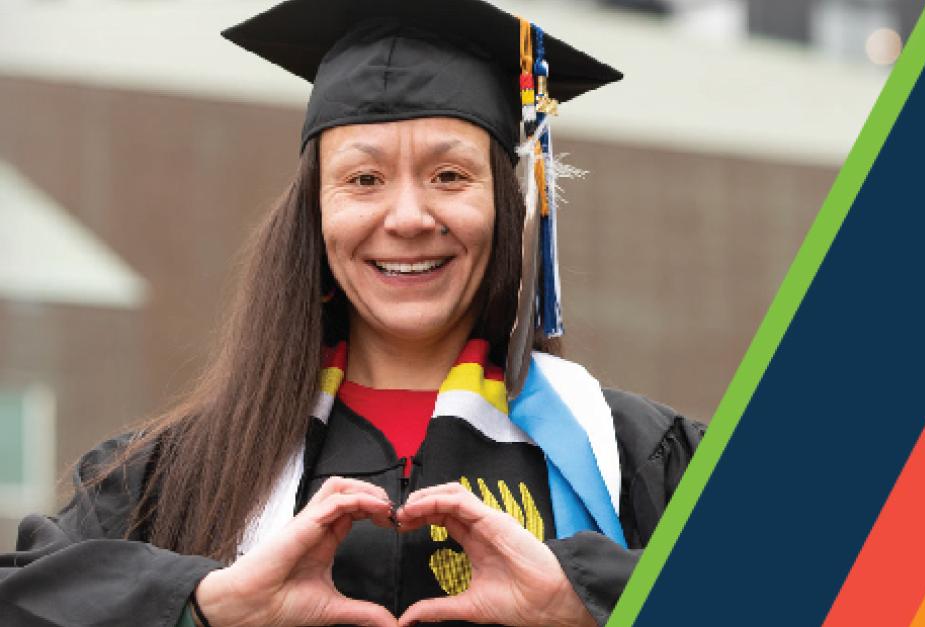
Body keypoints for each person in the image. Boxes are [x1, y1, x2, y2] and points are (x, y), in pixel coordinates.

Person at [0, 0, 702, 626]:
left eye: (449, 175)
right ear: (315, 213)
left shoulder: (633, 456)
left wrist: (603, 599)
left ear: (507, 204)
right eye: (363, 179)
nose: (407, 216)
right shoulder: (179, 472)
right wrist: (202, 606)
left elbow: (800, 582)